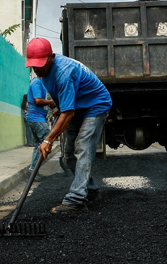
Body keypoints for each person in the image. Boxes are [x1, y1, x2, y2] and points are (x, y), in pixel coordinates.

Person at [26, 37, 112, 213]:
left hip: (95, 106)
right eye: (34, 65)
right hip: (77, 107)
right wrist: (61, 106)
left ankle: (76, 200)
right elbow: (66, 100)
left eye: (41, 64)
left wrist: (49, 139)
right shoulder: (43, 73)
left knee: (83, 147)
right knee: (67, 156)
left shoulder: (64, 72)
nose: (37, 68)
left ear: (51, 57)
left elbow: (68, 113)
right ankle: (91, 191)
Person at [25, 77, 55, 179]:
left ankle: (33, 171)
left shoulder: (41, 83)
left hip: (37, 117)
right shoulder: (36, 83)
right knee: (46, 141)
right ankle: (33, 170)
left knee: (38, 144)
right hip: (36, 118)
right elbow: (37, 101)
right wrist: (50, 102)